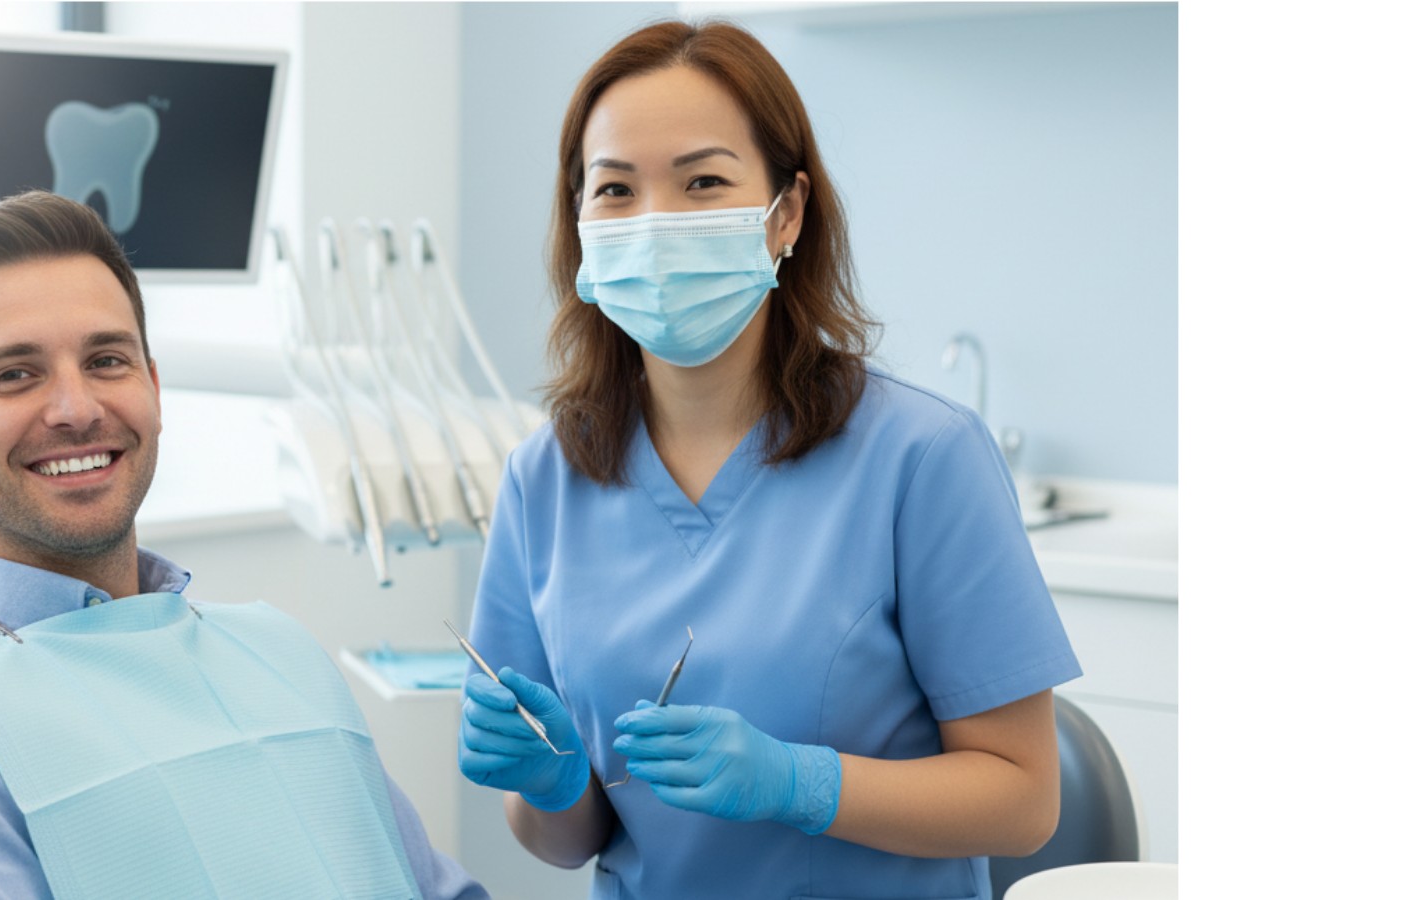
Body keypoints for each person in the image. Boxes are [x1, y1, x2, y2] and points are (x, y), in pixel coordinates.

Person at [457, 21, 1081, 900]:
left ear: (785, 213)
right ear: (581, 225)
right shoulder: (542, 481)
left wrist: (801, 784)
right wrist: (551, 782)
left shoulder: (922, 458)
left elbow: (1023, 801)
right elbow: (564, 842)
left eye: (703, 182)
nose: (657, 224)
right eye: (616, 190)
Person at [0, 190, 486, 900]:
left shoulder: (279, 649)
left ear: (154, 388)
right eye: (15, 374)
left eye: (107, 360)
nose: (77, 409)